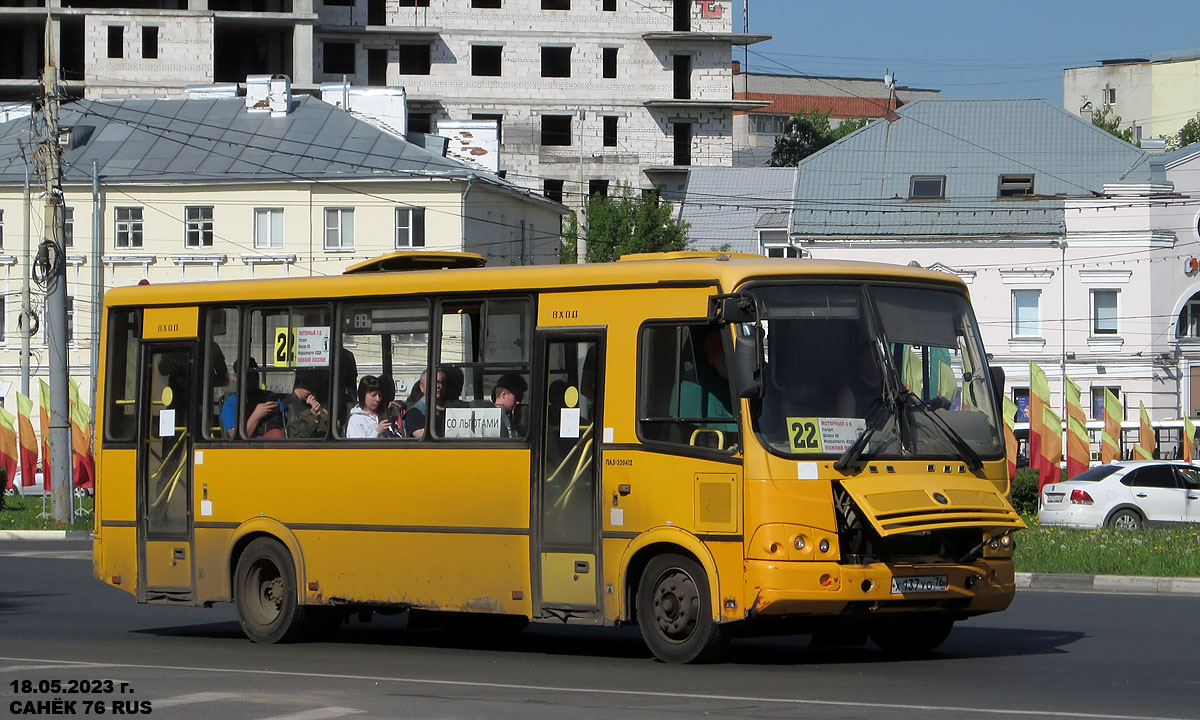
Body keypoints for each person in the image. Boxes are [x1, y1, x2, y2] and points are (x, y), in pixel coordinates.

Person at [281, 369, 329, 439]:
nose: (314, 394)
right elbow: (298, 436)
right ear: (302, 385)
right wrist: (313, 415)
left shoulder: (317, 404)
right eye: (312, 389)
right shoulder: (287, 404)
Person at [403, 369, 442, 439]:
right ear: (422, 387)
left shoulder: (451, 409)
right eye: (433, 382)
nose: (437, 386)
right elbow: (424, 437)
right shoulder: (415, 412)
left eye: (441, 382)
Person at [492, 372, 528, 438]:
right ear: (504, 395)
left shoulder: (510, 417)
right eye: (518, 397)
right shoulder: (492, 419)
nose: (518, 402)